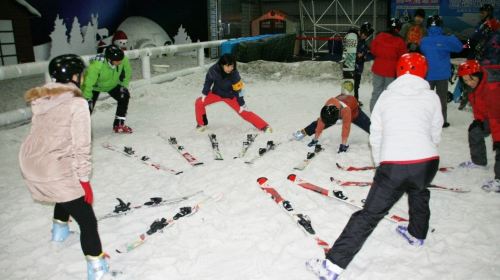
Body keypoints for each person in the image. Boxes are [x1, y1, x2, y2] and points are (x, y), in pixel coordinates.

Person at [306, 53, 443, 279]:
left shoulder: (387, 97)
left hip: (394, 165)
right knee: (419, 192)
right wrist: (424, 152)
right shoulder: (432, 97)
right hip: (427, 162)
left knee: (369, 215)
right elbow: (435, 130)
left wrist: (382, 165)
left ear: (399, 71)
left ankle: (331, 267)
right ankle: (417, 234)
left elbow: (376, 135)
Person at [18, 54, 108, 280]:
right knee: (88, 220)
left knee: (64, 191)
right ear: (75, 76)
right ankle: (97, 268)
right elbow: (81, 146)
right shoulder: (77, 104)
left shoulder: (41, 99)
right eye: (81, 74)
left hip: (30, 162)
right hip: (52, 167)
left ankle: (59, 232)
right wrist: (85, 180)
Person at [195, 54, 271, 132]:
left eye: (232, 66)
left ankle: (264, 126)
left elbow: (239, 89)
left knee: (244, 111)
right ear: (222, 65)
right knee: (199, 102)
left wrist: (242, 103)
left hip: (230, 95)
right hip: (217, 93)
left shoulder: (234, 74)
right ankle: (201, 124)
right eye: (227, 66)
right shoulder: (213, 70)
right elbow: (208, 81)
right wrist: (205, 92)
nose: (230, 69)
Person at [456, 60, 500, 192]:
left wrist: (497, 140)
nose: (469, 82)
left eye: (471, 79)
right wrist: (478, 121)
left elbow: (495, 118)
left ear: (479, 75)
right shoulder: (474, 87)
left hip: (497, 116)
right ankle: (479, 161)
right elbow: (478, 106)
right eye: (465, 80)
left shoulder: (492, 89)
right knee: (475, 130)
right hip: (492, 116)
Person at [420, 15, 463, 128]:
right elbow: (459, 48)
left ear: (428, 26)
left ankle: (425, 121)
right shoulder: (446, 39)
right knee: (441, 99)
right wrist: (452, 36)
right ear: (440, 25)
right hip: (442, 75)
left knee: (426, 100)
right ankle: (442, 121)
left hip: (427, 74)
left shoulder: (424, 40)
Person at [292, 93, 370, 153]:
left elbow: (346, 127)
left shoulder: (346, 110)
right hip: (338, 110)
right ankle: (301, 133)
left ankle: (382, 135)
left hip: (354, 114)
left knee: (371, 128)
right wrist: (315, 139)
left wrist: (343, 145)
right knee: (319, 122)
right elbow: (320, 122)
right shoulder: (328, 106)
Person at [81, 45, 133, 133]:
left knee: (124, 95)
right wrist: (87, 97)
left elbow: (128, 71)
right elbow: (88, 82)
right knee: (86, 107)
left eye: (120, 60)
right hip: (94, 87)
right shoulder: (97, 64)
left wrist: (124, 86)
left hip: (111, 85)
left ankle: (119, 124)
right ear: (109, 59)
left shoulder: (122, 59)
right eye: (117, 61)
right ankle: (79, 130)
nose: (120, 62)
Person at [369, 17, 408, 112]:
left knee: (376, 92)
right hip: (391, 71)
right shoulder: (400, 41)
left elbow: (373, 50)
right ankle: (386, 113)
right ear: (398, 28)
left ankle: (374, 113)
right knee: (389, 93)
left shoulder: (379, 36)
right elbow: (403, 56)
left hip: (378, 68)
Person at [354, 22, 374, 105]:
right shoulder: (354, 38)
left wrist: (364, 54)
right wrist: (358, 54)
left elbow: (364, 51)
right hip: (352, 66)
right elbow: (348, 51)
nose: (365, 36)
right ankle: (353, 101)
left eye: (367, 35)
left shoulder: (363, 40)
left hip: (359, 67)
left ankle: (355, 100)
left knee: (356, 84)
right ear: (361, 31)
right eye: (365, 34)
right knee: (352, 84)